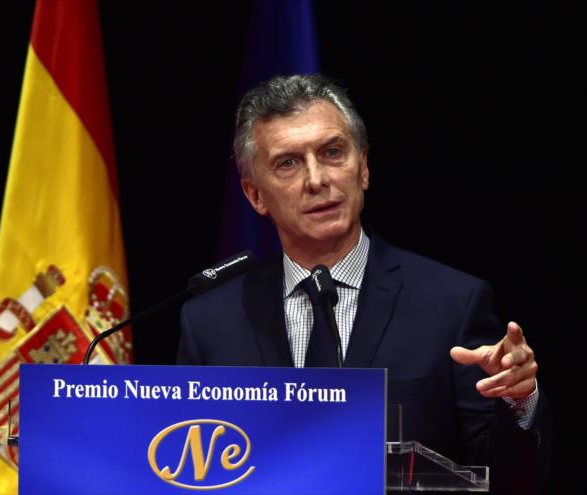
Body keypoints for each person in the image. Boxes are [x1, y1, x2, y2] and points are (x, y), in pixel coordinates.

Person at [177, 74, 551, 493]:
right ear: (255, 196)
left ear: (365, 167)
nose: (317, 179)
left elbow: (510, 480)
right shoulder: (210, 323)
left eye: (332, 152)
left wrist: (518, 401)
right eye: (288, 163)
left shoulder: (450, 303)